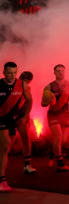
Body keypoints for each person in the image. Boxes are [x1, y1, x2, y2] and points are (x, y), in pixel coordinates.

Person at [0, 62, 32, 192]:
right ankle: (2, 180)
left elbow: (29, 100)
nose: (12, 75)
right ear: (3, 72)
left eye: (15, 72)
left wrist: (25, 116)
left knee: (6, 148)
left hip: (11, 120)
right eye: (9, 72)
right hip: (0, 118)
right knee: (5, 145)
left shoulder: (22, 85)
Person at [10, 71, 35, 174]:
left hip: (21, 116)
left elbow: (29, 101)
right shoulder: (10, 85)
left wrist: (25, 116)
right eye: (25, 81)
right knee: (6, 142)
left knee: (26, 139)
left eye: (28, 82)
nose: (27, 84)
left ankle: (27, 165)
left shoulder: (26, 88)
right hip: (9, 116)